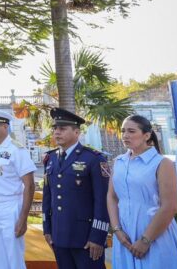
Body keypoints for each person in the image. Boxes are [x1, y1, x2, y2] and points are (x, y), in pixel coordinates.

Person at [107, 115, 177, 268]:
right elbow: (112, 197)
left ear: (147, 135)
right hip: (124, 235)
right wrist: (116, 229)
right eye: (123, 131)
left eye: (131, 131)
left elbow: (170, 206)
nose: (125, 135)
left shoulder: (162, 163)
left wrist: (146, 240)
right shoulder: (119, 162)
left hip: (155, 233)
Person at [42, 107, 109, 269]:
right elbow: (47, 197)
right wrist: (47, 229)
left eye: (63, 129)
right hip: (59, 236)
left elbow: (102, 200)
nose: (57, 132)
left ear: (77, 132)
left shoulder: (93, 158)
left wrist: (98, 236)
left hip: (86, 238)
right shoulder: (50, 158)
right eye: (55, 129)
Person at [0, 109, 36, 269]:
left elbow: (30, 185)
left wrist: (23, 218)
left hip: (9, 207)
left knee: (14, 256)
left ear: (5, 126)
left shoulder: (16, 150)